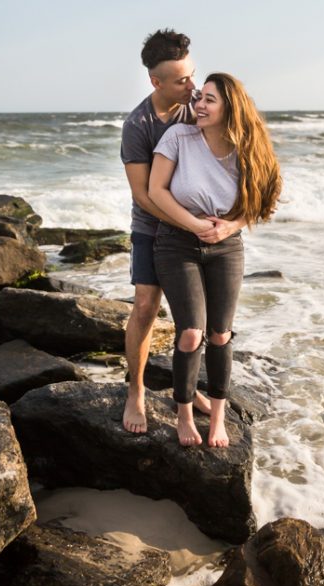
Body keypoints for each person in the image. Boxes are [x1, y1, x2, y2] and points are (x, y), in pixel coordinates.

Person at [148, 72, 281, 447]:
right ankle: (185, 414)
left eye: (209, 100)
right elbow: (156, 190)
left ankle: (219, 418)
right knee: (191, 332)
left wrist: (229, 227)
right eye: (199, 98)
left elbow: (262, 203)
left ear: (230, 108)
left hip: (226, 246)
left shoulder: (250, 148)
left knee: (220, 334)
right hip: (176, 242)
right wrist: (193, 224)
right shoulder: (178, 137)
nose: (199, 105)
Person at [120, 28, 212, 433]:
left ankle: (187, 389)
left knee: (193, 316)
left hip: (194, 225)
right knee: (145, 306)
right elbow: (143, 195)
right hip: (152, 228)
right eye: (181, 80)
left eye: (193, 75)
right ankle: (135, 391)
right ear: (155, 82)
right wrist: (188, 224)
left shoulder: (198, 108)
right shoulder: (137, 124)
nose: (192, 86)